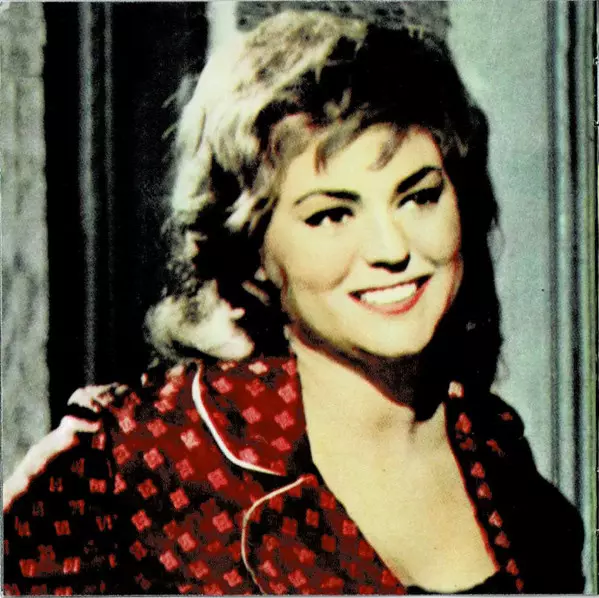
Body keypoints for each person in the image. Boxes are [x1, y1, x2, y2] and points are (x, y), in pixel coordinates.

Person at [3, 9, 584, 595]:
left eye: (418, 197)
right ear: (253, 249)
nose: (392, 249)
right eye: (331, 215)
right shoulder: (138, 459)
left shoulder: (499, 458)